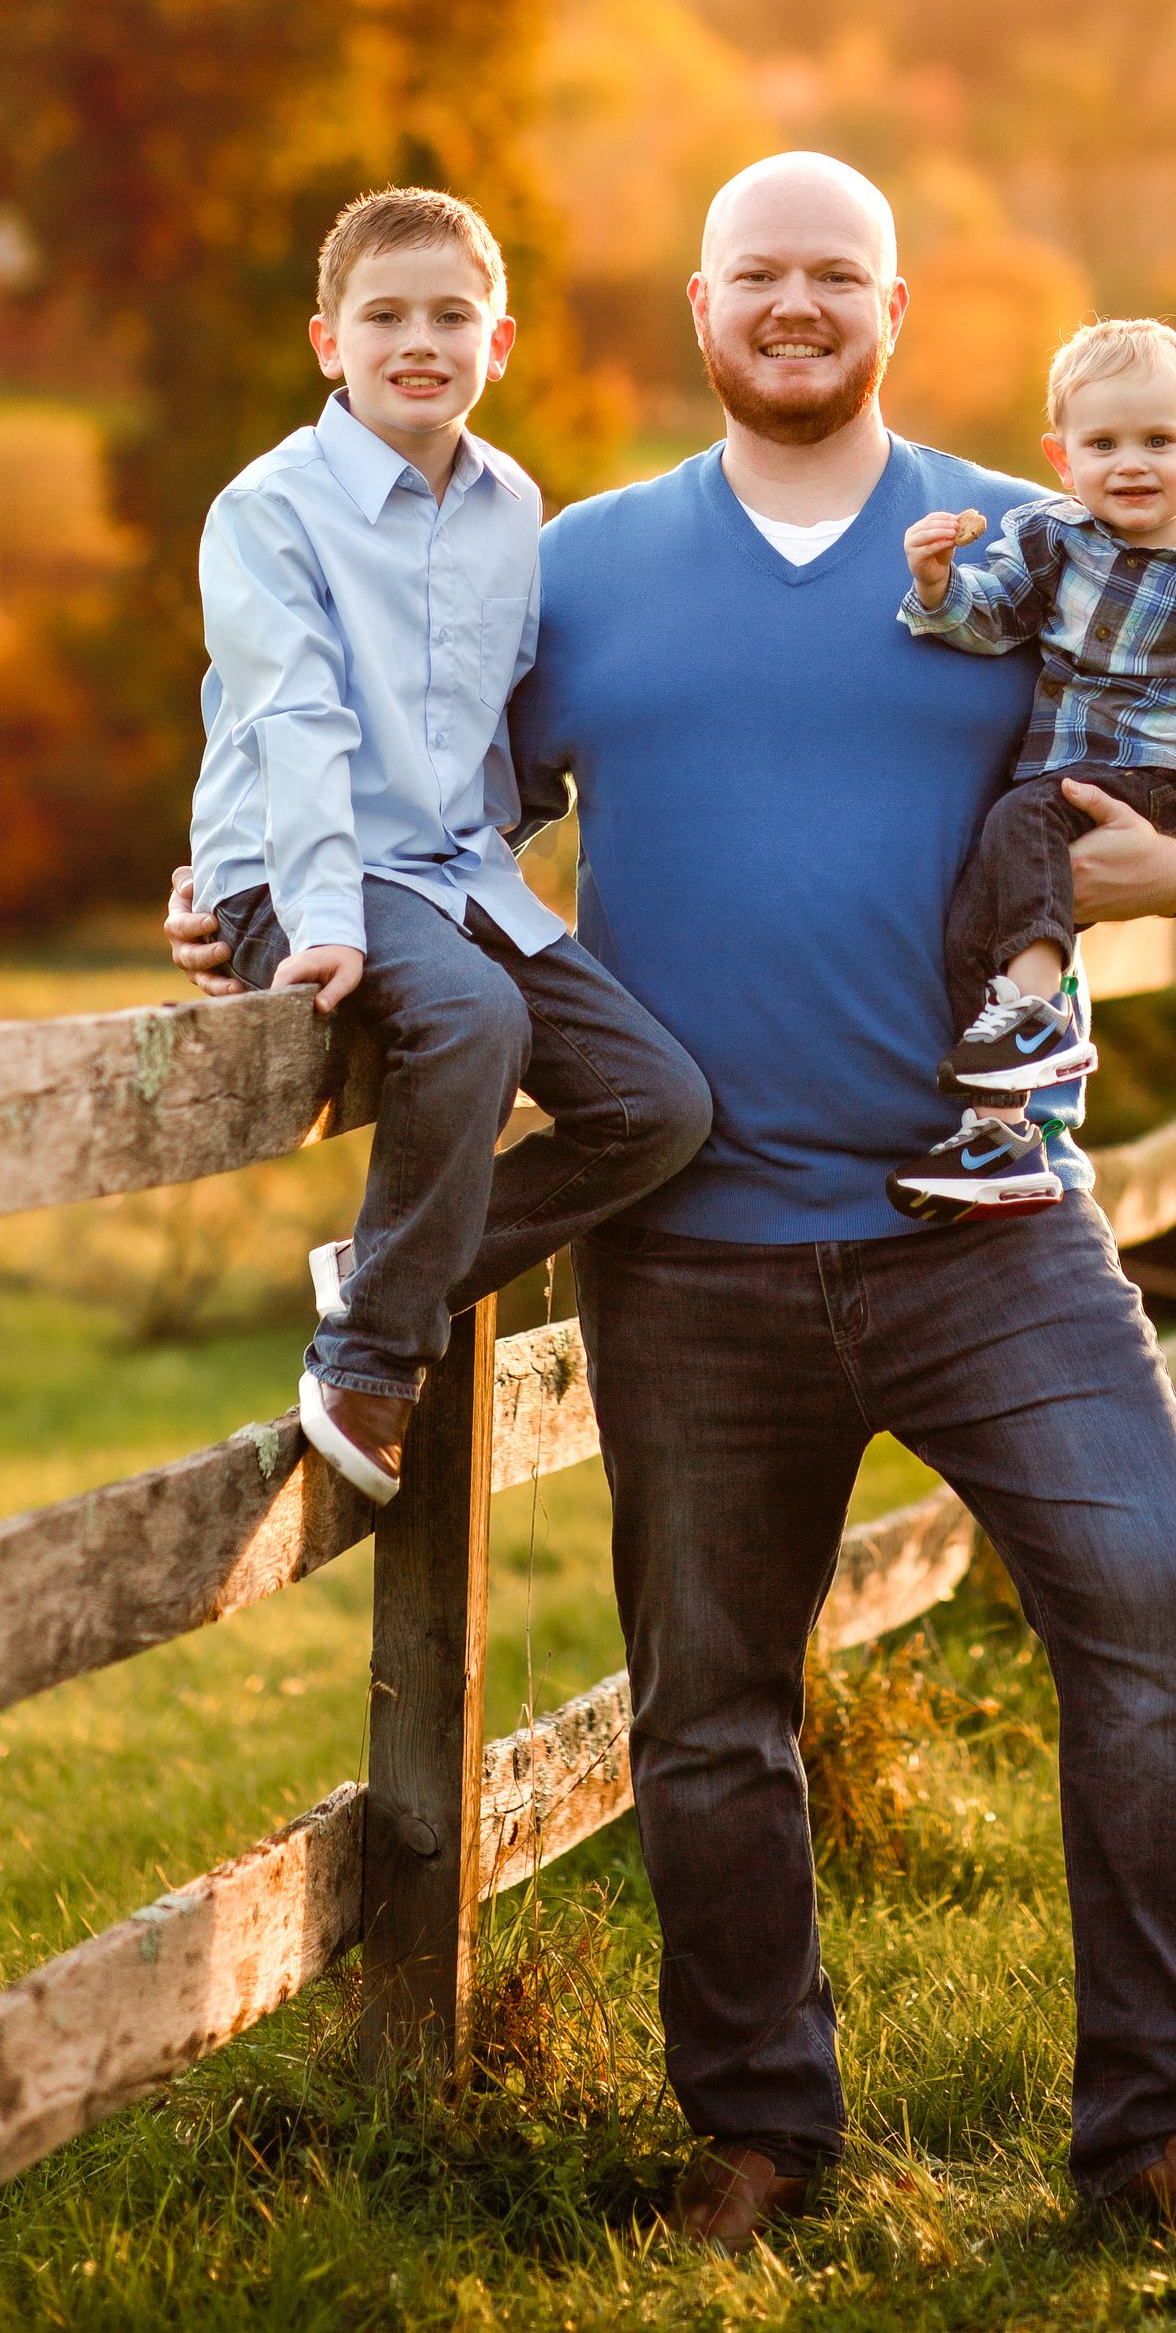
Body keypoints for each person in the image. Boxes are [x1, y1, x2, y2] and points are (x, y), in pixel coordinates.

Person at [169, 153, 1176, 2250]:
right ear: (699, 306)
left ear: (893, 306)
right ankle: (758, 2135)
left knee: (1156, 1619)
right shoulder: (585, 567)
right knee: (707, 1711)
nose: (796, 306)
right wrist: (246, 883)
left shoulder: (1031, 535)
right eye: (758, 275)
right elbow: (419, 779)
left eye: (837, 276)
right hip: (695, 1251)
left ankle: (1164, 2131)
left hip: (994, 1222)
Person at [189, 182, 709, 1512]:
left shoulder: (509, 503)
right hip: (305, 869)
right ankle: (370, 1351)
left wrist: (509, 845)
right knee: (473, 1017)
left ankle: (388, 1266)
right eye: (384, 314)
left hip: (451, 870)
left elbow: (496, 713)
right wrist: (310, 918)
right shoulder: (269, 507)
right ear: (328, 340)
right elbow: (288, 712)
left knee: (663, 1106)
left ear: (501, 340)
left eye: (450, 314)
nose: (418, 339)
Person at [885, 313, 1176, 1222]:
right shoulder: (1052, 539)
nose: (1131, 463)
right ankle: (1000, 1131)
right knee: (980, 916)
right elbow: (991, 615)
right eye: (1105, 443)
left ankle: (1038, 1023)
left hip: (1155, 774)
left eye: (1159, 440)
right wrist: (936, 586)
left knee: (1019, 826)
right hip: (1057, 770)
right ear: (1062, 458)